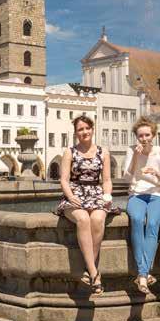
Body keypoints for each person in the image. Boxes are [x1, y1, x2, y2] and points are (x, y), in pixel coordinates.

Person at [55, 115, 117, 295]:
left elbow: (106, 179)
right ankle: (94, 273)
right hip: (74, 194)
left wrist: (107, 195)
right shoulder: (70, 152)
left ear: (92, 129)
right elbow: (64, 180)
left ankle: (89, 270)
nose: (84, 132)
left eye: (87, 128)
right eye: (80, 129)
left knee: (97, 219)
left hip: (96, 194)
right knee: (82, 219)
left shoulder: (103, 152)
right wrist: (70, 196)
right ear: (76, 133)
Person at [123, 117, 160, 295]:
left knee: (152, 224)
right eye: (140, 135)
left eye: (147, 135)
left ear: (153, 135)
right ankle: (144, 274)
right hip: (136, 194)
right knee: (136, 219)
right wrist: (136, 157)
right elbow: (127, 178)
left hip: (157, 194)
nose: (144, 139)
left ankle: (142, 274)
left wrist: (156, 173)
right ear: (136, 137)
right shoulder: (131, 151)